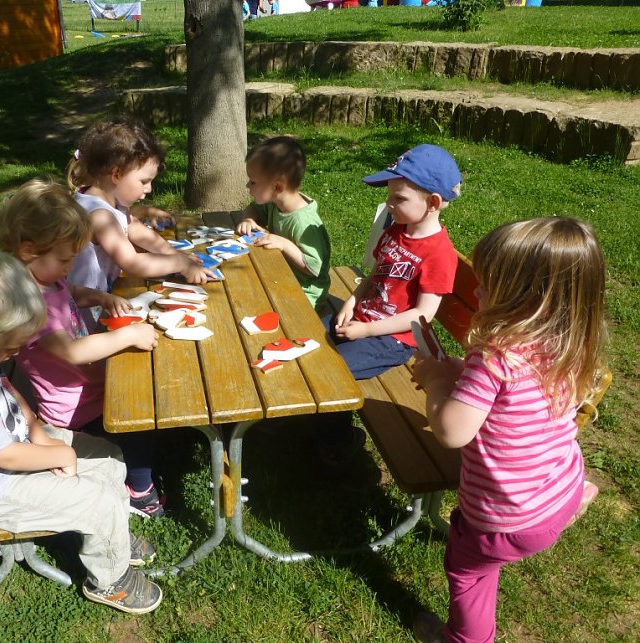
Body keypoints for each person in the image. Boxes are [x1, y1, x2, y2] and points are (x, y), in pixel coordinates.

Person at [0, 249, 163, 614]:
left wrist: (37, 429)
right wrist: (58, 453)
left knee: (110, 458)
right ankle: (110, 581)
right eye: (8, 348)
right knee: (99, 501)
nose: (12, 356)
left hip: (18, 442)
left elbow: (6, 390)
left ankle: (111, 535)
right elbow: (5, 457)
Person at [410, 217, 606, 643]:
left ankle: (464, 639)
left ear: (526, 298)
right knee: (551, 500)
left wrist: (437, 381)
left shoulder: (497, 356)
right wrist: (459, 375)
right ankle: (574, 502)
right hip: (559, 487)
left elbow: (452, 431)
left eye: (488, 285)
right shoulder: (570, 342)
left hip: (501, 520)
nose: (477, 291)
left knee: (468, 573)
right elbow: (515, 399)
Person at [0, 178, 166, 518]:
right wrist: (127, 337)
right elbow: (71, 351)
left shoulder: (43, 277)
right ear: (29, 251)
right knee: (139, 422)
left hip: (88, 385)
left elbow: (70, 291)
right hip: (76, 408)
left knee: (142, 397)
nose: (69, 267)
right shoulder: (30, 305)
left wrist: (99, 296)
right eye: (64, 259)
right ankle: (139, 493)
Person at [66, 117, 216, 330]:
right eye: (144, 181)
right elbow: (133, 263)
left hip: (100, 299)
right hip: (83, 312)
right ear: (116, 174)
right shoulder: (100, 216)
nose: (149, 189)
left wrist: (174, 255)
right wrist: (180, 264)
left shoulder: (110, 203)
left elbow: (137, 230)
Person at [328, 143, 461, 379]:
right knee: (306, 338)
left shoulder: (440, 253)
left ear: (433, 203)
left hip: (392, 339)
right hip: (361, 318)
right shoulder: (395, 232)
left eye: (399, 198)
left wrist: (367, 330)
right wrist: (351, 301)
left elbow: (423, 315)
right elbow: (374, 276)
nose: (389, 203)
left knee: (329, 371)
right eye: (389, 194)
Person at [235, 135, 331, 310]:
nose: (248, 185)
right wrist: (248, 219)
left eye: (253, 181)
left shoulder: (303, 221)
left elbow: (315, 267)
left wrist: (284, 244)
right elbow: (253, 208)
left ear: (277, 187)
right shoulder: (276, 203)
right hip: (280, 276)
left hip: (305, 295)